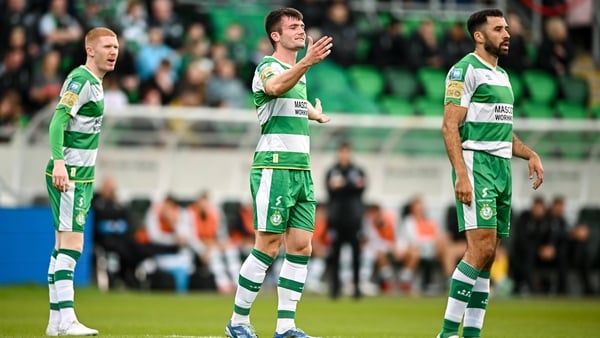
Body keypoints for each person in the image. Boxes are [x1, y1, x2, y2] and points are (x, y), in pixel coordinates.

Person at [224, 7, 332, 338]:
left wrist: (312, 113)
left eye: (302, 26)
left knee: (301, 246)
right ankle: (238, 321)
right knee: (268, 245)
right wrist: (306, 62)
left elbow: (288, 100)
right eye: (293, 27)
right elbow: (272, 89)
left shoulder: (296, 72)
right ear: (276, 35)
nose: (301, 31)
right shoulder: (268, 66)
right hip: (274, 166)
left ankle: (286, 326)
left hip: (301, 169)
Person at [437, 9, 544, 338]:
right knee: (479, 250)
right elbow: (449, 125)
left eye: (507, 28)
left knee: (489, 254)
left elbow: (503, 133)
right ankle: (446, 333)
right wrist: (461, 174)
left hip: (502, 168)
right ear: (479, 36)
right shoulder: (464, 70)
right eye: (498, 29)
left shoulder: (503, 77)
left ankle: (471, 335)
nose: (507, 34)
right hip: (477, 164)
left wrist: (530, 153)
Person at [44, 27, 118, 336]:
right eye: (106, 46)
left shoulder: (96, 83)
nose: (113, 51)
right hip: (70, 175)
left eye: (115, 46)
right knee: (73, 244)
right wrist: (60, 162)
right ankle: (69, 319)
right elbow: (58, 120)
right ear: (90, 50)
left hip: (81, 176)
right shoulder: (81, 80)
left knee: (61, 245)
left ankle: (55, 321)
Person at [325, 141, 366, 299]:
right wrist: (349, 185)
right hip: (336, 219)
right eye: (341, 152)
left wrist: (343, 184)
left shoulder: (357, 170)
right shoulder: (332, 171)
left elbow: (361, 188)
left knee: (356, 256)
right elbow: (329, 190)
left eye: (346, 152)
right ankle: (335, 288)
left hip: (354, 220)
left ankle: (356, 288)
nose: (344, 155)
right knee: (335, 255)